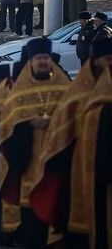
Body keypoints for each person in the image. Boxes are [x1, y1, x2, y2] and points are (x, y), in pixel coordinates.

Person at [30, 37, 112, 248]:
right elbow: (60, 139)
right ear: (95, 61)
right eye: (107, 59)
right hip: (81, 181)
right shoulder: (77, 97)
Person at [0, 37, 70, 247]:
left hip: (56, 160)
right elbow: (7, 127)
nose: (42, 62)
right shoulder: (19, 90)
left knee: (56, 204)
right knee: (32, 215)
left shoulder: (64, 87)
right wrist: (28, 123)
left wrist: (53, 121)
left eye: (45, 58)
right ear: (31, 61)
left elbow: (75, 117)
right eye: (38, 58)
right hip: (29, 161)